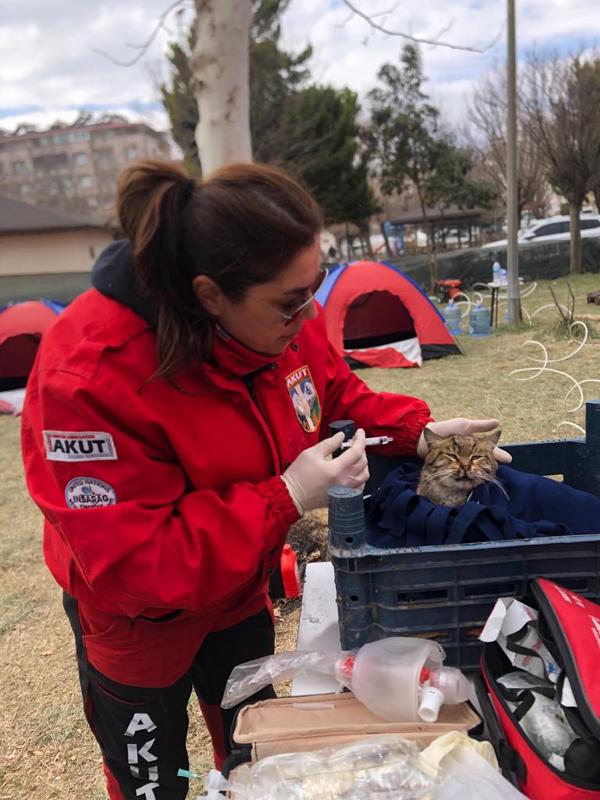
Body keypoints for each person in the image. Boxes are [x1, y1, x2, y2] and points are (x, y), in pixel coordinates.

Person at [21, 159, 510, 799]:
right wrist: (286, 496)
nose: (308, 316)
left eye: (315, 289)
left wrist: (415, 432)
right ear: (209, 296)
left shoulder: (280, 319)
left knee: (253, 751)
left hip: (237, 585)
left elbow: (331, 391)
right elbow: (136, 562)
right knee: (153, 780)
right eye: (290, 303)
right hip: (139, 622)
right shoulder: (87, 376)